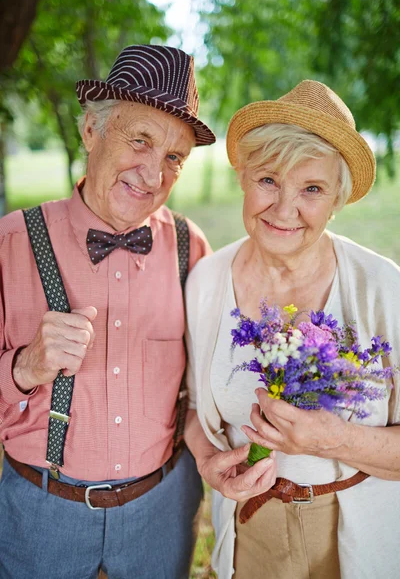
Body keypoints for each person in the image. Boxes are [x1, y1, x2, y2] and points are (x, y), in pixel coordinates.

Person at [0, 44, 215, 579]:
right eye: (139, 140)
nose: (152, 172)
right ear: (91, 131)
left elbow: (203, 392)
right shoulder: (9, 244)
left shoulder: (194, 249)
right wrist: (26, 366)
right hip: (40, 515)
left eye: (174, 158)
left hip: (163, 511)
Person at [184, 80, 400, 579]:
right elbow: (194, 408)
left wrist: (335, 438)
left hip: (360, 538)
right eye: (268, 180)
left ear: (337, 200)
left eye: (311, 189)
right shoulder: (206, 283)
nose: (284, 209)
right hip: (250, 530)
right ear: (242, 178)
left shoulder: (383, 288)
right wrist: (205, 460)